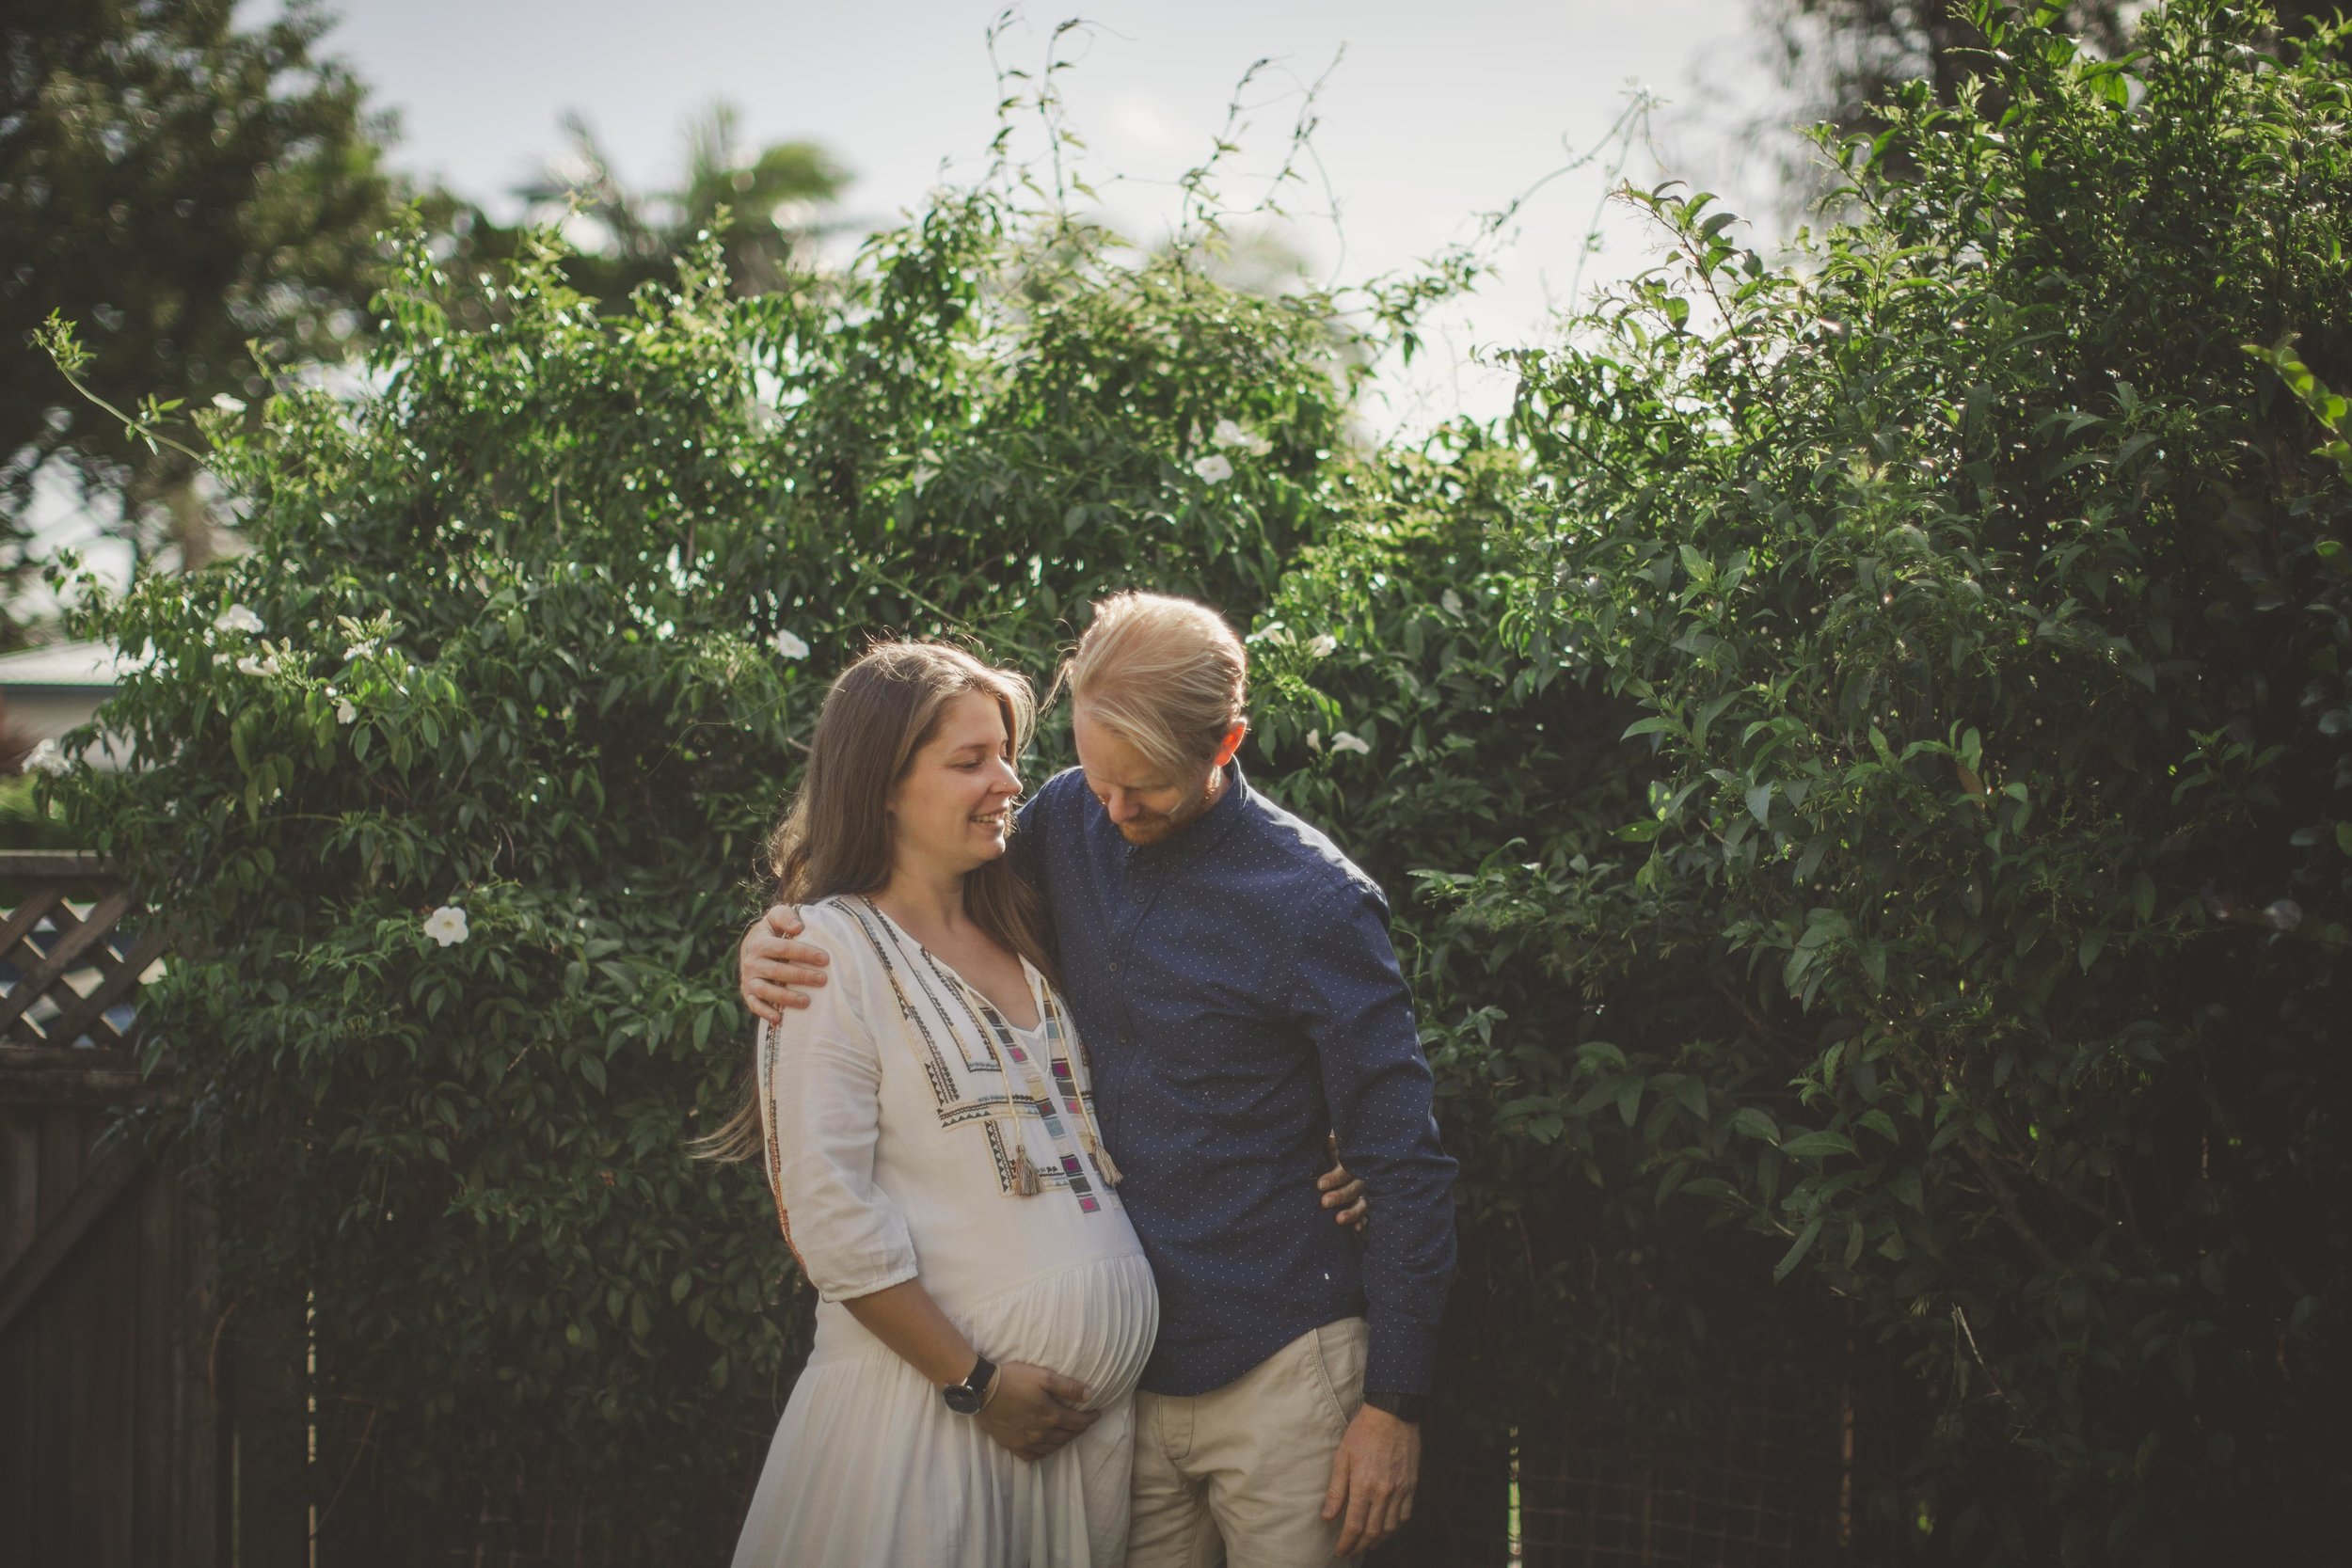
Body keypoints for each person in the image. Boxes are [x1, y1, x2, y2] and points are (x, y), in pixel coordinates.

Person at [742, 593, 1459, 1564]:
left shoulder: (1315, 906)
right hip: (1123, 1408)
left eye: (1146, 788)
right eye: (1095, 774)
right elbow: (897, 897)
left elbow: (1404, 1162)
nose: (1114, 812)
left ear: (1226, 741)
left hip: (1284, 1364)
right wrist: (772, 933)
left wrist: (1393, 1403)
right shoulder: (1065, 822)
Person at [715, 641, 1155, 1567]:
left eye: (1006, 754)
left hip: (1072, 1460)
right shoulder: (825, 951)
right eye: (968, 761)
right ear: (880, 782)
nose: (1005, 781)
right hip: (922, 1433)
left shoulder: (1029, 930)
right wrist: (977, 1383)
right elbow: (827, 1213)